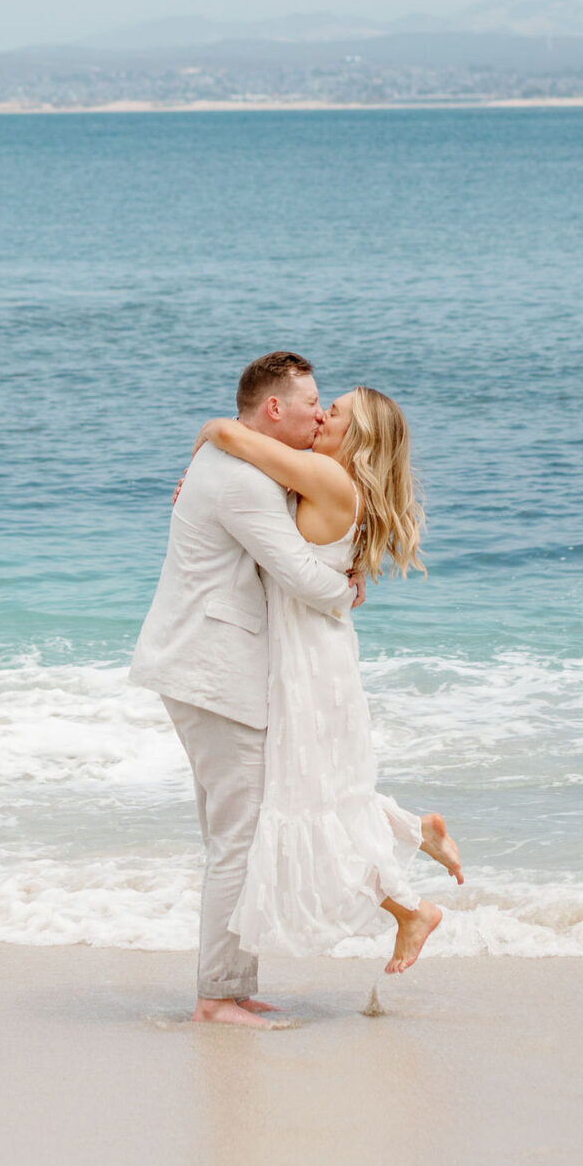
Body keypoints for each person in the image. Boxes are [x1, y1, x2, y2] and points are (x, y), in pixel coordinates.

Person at [194, 384, 462, 982]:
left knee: (309, 798)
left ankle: (411, 909)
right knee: (324, 791)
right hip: (314, 651)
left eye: (332, 412)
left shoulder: (327, 478)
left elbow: (237, 435)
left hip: (309, 662)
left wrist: (209, 433)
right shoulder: (332, 481)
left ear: (356, 437)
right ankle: (415, 834)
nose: (319, 416)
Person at [130, 352, 363, 1027]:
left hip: (207, 666)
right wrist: (345, 588)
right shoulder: (242, 481)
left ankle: (230, 985)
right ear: (273, 411)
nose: (320, 414)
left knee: (234, 832)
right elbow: (299, 575)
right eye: (311, 402)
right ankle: (215, 998)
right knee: (238, 834)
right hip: (211, 670)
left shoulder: (242, 467)